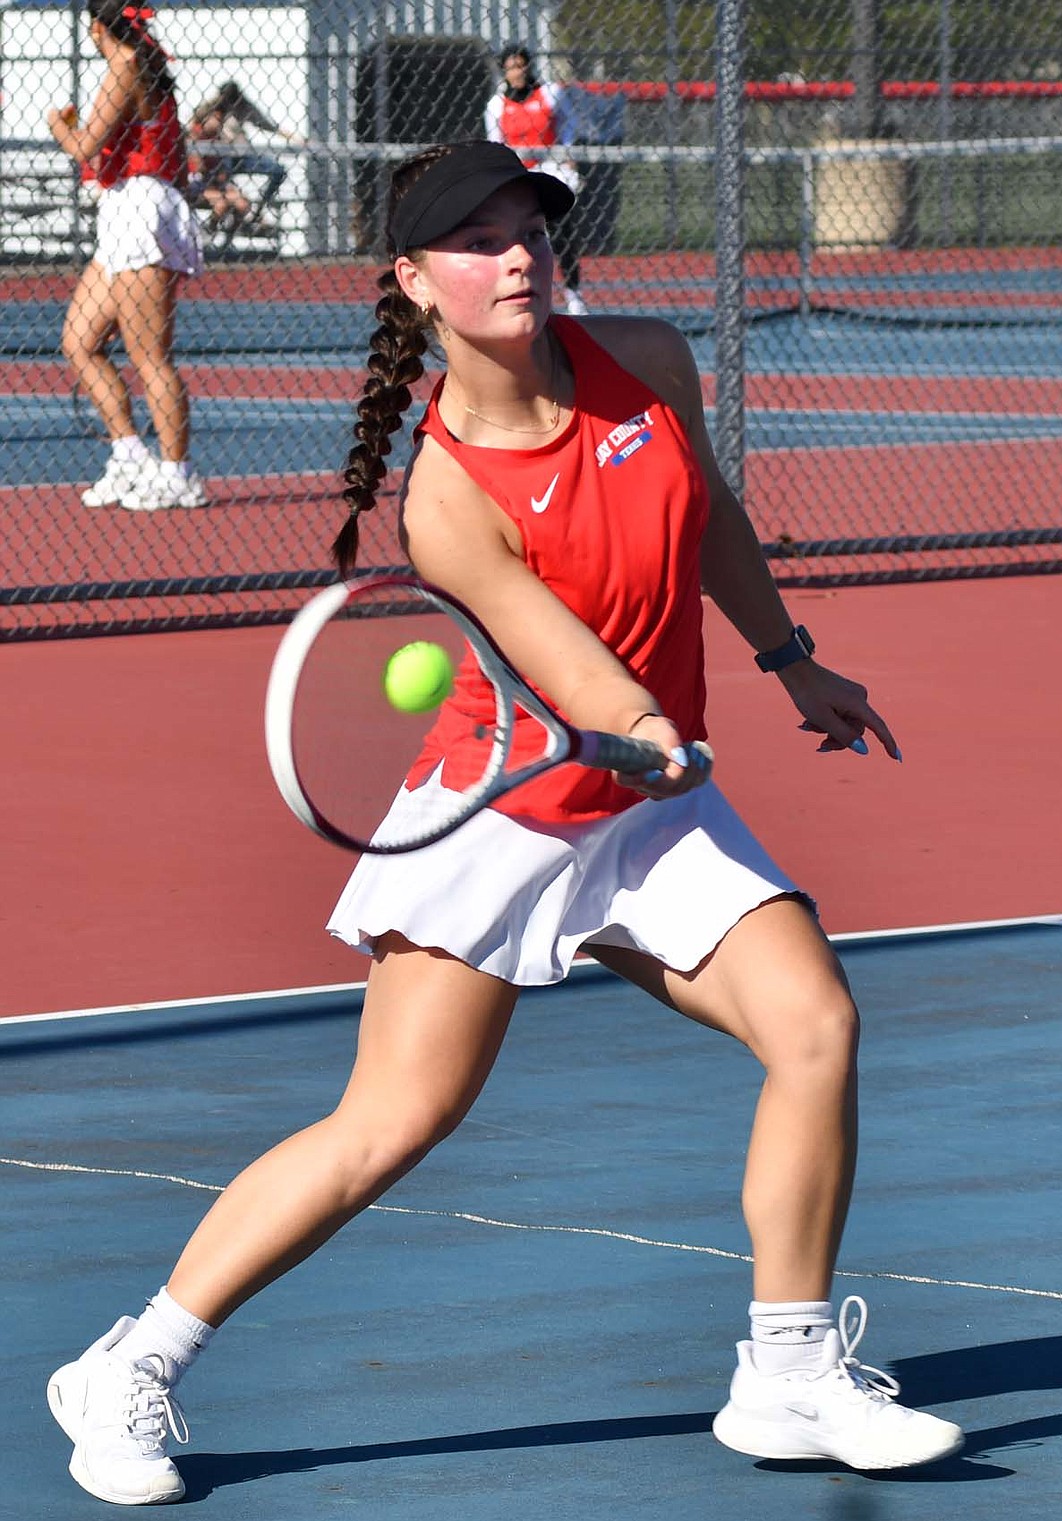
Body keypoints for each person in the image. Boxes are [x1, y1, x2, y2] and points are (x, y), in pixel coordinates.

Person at [46, 140, 964, 1507]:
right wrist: (644, 727)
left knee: (816, 1024)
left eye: (529, 225)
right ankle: (131, 1361)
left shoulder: (646, 360)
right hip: (508, 814)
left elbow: (710, 519)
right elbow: (569, 664)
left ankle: (784, 1375)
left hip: (650, 814)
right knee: (391, 1122)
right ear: (415, 282)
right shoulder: (444, 496)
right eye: (475, 240)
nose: (517, 252)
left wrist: (790, 658)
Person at [47, 0, 207, 512]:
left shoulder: (124, 66)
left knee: (149, 356)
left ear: (98, 28)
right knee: (80, 341)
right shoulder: (143, 65)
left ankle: (177, 473)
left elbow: (84, 145)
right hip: (125, 206)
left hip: (139, 204)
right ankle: (130, 455)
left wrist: (58, 127)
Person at [485, 45, 588, 315]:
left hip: (550, 167)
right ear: (504, 71)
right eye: (512, 67)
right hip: (519, 173)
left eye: (522, 65)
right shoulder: (497, 104)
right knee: (519, 233)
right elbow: (496, 142)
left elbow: (569, 125)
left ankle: (573, 293)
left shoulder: (549, 93)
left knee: (563, 231)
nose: (518, 72)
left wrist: (566, 155)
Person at [187, 81, 296, 235]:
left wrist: (294, 137)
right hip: (222, 157)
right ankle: (213, 230)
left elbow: (269, 125)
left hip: (240, 153)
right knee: (223, 197)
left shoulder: (243, 106)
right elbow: (194, 125)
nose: (218, 121)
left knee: (276, 171)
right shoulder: (208, 115)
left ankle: (256, 214)